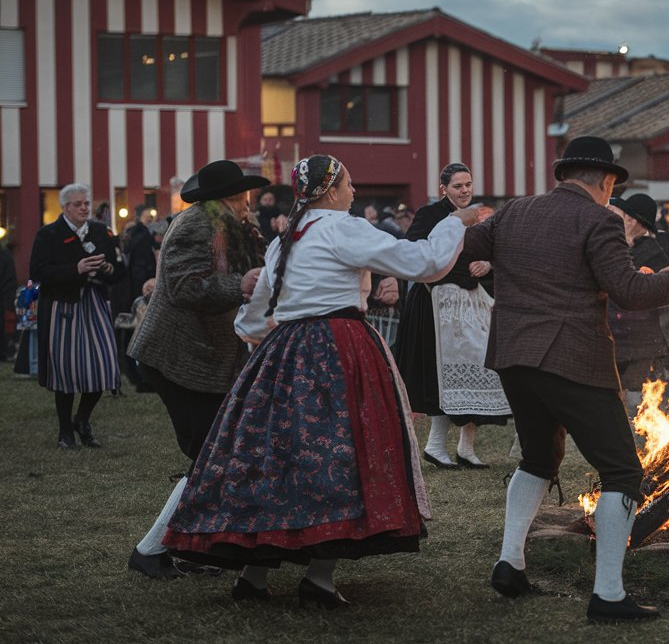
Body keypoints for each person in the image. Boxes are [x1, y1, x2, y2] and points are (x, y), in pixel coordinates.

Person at [163, 155, 488, 606]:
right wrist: (458, 222)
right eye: (350, 185)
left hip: (284, 350)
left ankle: (254, 576)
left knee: (276, 461)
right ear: (332, 190)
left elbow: (255, 316)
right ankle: (317, 577)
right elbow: (425, 262)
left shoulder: (285, 240)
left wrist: (270, 348)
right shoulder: (344, 228)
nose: (354, 193)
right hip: (339, 348)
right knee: (341, 458)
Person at [466, 136, 669, 623]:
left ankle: (510, 562)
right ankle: (608, 594)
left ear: (564, 176)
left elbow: (460, 253)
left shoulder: (515, 211)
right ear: (605, 183)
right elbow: (627, 291)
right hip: (572, 357)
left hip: (514, 355)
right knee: (622, 472)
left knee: (539, 457)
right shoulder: (599, 218)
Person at [125, 159, 269, 581]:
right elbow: (184, 286)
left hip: (208, 359)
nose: (247, 202)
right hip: (178, 359)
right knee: (210, 455)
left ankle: (198, 549)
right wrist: (239, 286)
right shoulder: (194, 225)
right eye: (241, 195)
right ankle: (150, 550)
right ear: (225, 198)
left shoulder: (232, 226)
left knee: (215, 455)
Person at [396, 163, 508, 469]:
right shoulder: (429, 215)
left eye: (468, 185)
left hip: (471, 303)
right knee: (440, 376)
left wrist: (488, 264)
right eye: (458, 186)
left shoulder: (478, 217)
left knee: (480, 367)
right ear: (444, 188)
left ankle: (466, 446)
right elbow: (414, 253)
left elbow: (494, 251)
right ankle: (435, 445)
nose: (465, 191)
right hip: (436, 304)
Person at [29, 184, 126, 448]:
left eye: (86, 203)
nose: (84, 208)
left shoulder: (101, 232)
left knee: (103, 366)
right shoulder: (48, 234)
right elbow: (38, 272)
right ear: (64, 207)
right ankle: (65, 432)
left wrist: (107, 268)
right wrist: (76, 268)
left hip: (95, 304)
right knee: (66, 371)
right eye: (78, 204)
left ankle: (81, 420)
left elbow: (119, 271)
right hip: (63, 306)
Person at [607, 193, 669, 417]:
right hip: (609, 329)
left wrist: (647, 280)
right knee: (610, 386)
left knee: (637, 386)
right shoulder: (609, 242)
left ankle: (639, 430)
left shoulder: (650, 248)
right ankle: (615, 426)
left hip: (642, 332)